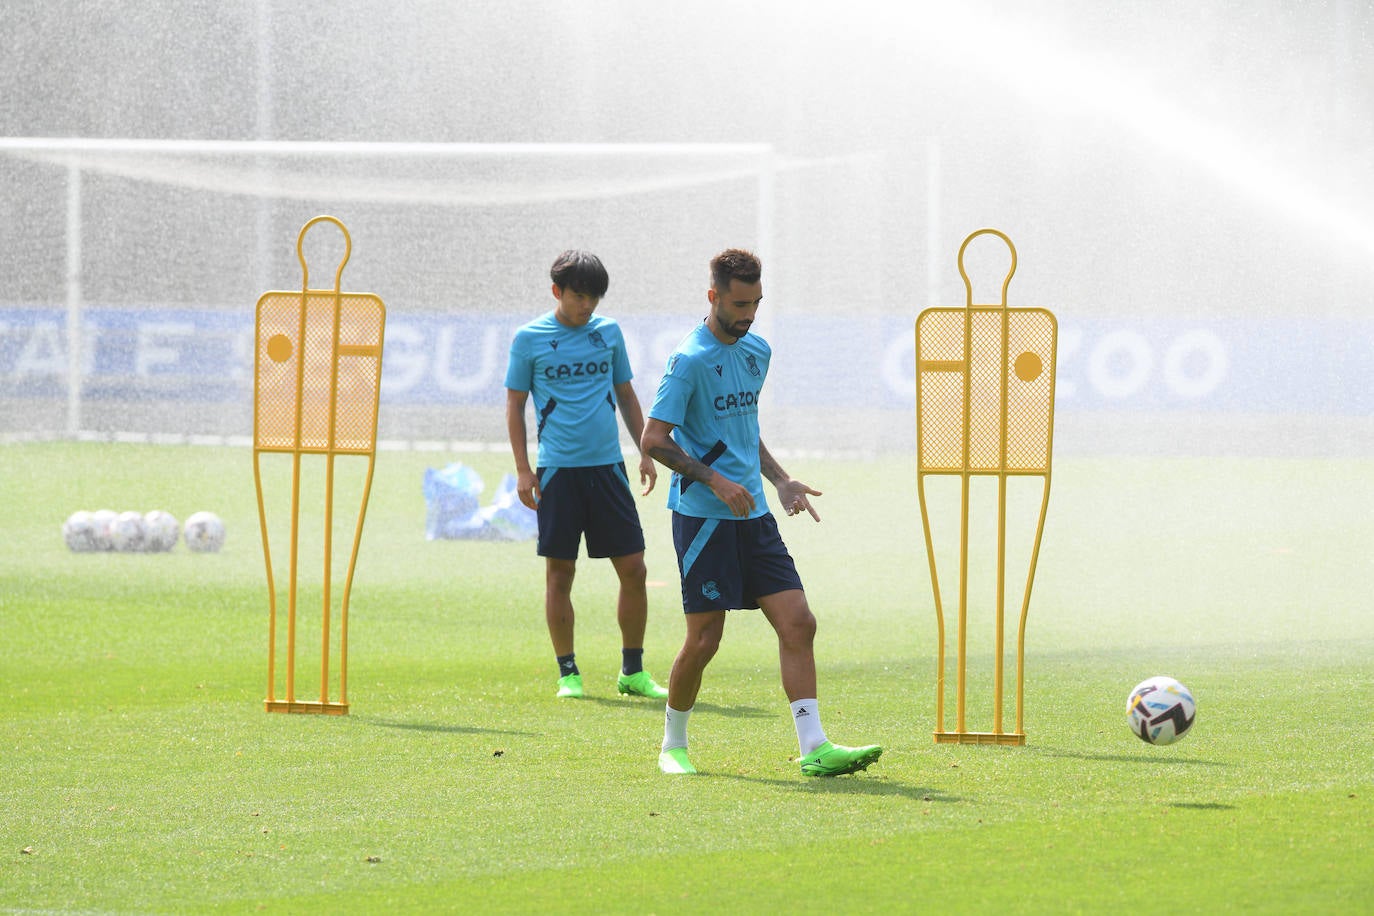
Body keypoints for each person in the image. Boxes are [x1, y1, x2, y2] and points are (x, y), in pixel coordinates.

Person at [640, 248, 882, 777]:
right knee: (704, 641)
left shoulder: (757, 351)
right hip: (704, 519)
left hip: (754, 516)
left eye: (756, 303)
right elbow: (653, 439)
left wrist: (779, 479)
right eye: (739, 303)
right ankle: (672, 745)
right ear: (713, 297)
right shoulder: (688, 361)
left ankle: (814, 746)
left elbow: (744, 430)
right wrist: (715, 480)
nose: (748, 315)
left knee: (798, 621)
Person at [505, 250, 668, 701]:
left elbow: (628, 396)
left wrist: (646, 451)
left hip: (608, 470)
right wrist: (523, 468)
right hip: (557, 471)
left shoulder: (608, 333)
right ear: (557, 291)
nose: (587, 306)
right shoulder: (530, 338)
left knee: (634, 568)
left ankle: (632, 671)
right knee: (560, 573)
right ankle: (568, 673)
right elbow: (515, 405)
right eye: (579, 296)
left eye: (594, 297)